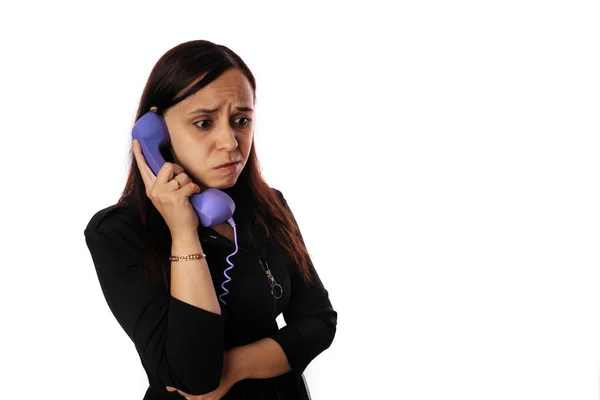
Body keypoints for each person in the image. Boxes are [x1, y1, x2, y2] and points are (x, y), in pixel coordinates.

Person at [83, 40, 337, 399]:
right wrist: (184, 233)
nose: (231, 142)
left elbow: (320, 322)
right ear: (156, 129)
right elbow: (194, 376)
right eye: (203, 123)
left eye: (241, 121)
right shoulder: (117, 232)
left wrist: (233, 369)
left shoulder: (269, 206)